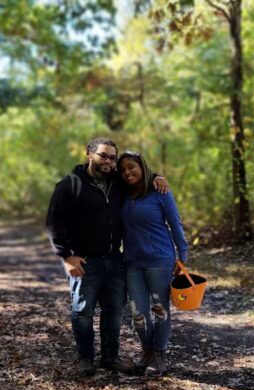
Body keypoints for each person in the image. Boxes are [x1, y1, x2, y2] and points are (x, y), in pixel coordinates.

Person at [46, 138, 168, 377]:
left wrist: (157, 177)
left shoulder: (117, 182)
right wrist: (67, 257)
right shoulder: (70, 185)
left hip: (114, 259)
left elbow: (138, 176)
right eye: (103, 156)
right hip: (85, 261)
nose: (109, 162)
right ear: (90, 155)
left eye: (113, 158)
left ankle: (110, 358)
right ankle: (85, 359)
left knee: (114, 311)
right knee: (83, 312)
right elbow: (53, 224)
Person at [117, 151, 188, 377]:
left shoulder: (160, 192)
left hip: (159, 260)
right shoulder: (122, 194)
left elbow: (175, 223)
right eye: (123, 169)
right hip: (132, 262)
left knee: (160, 310)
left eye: (132, 166)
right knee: (138, 312)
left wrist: (183, 253)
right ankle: (147, 350)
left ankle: (158, 354)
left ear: (142, 166)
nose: (127, 172)